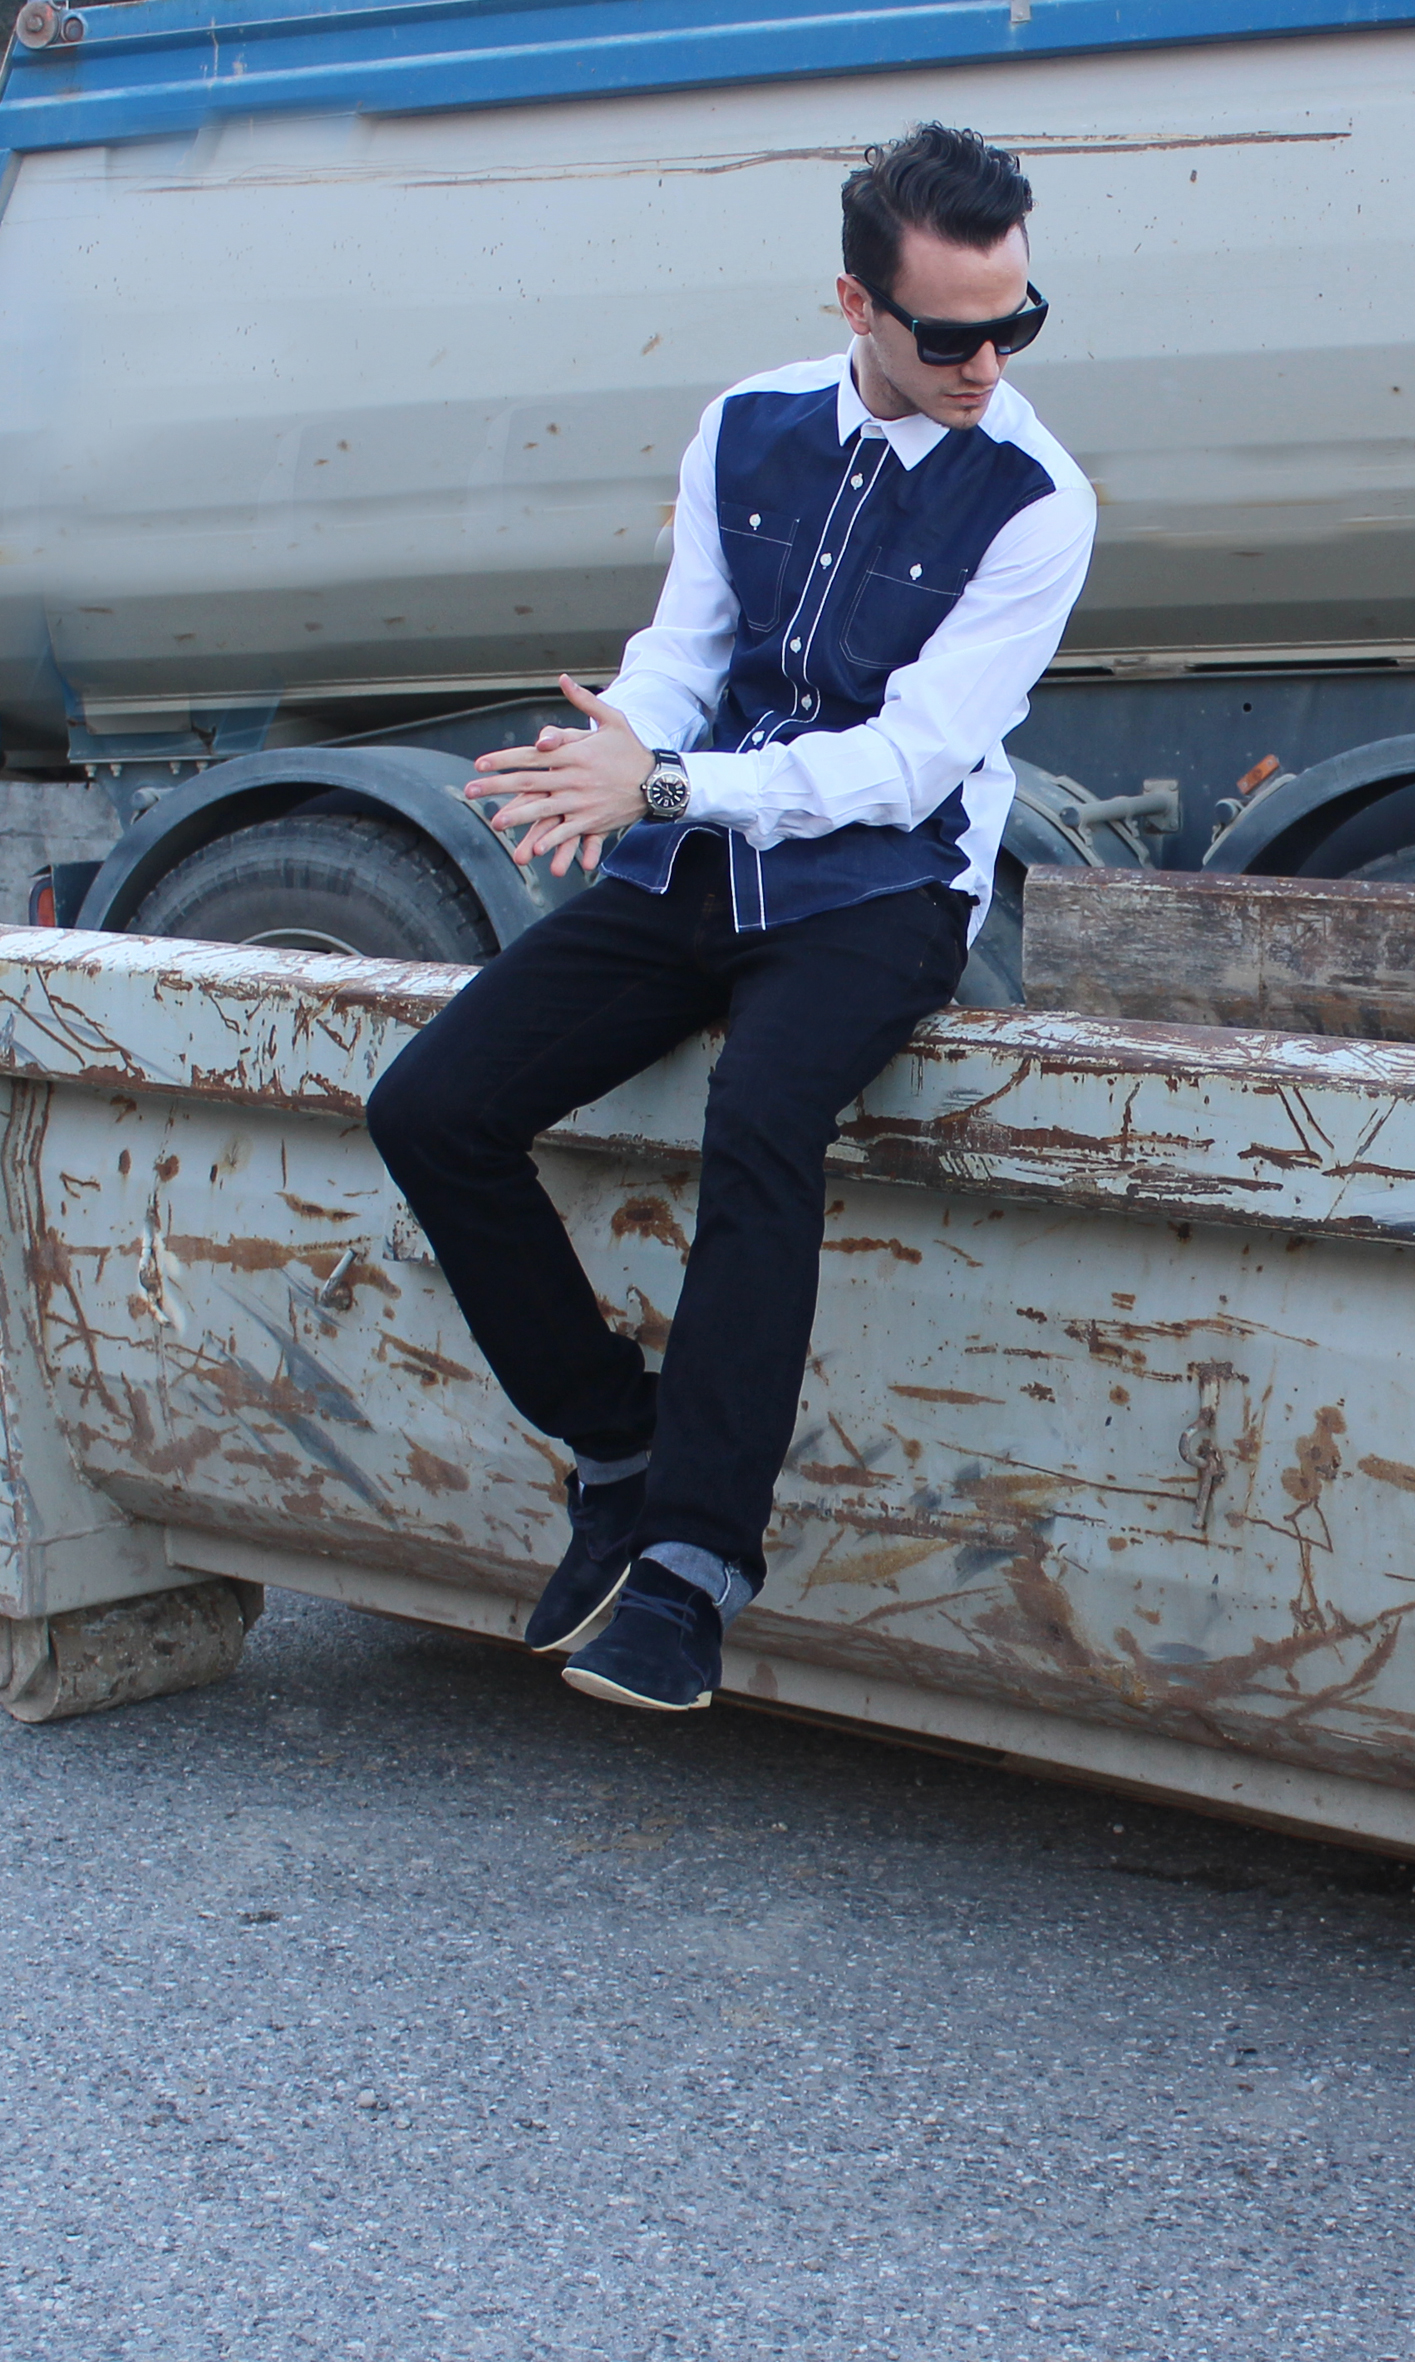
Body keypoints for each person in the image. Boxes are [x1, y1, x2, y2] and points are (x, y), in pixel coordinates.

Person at [366, 123, 1095, 1713]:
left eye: (1018, 324)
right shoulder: (745, 425)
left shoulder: (1039, 500)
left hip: (885, 883)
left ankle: (693, 1568)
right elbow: (686, 649)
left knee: (760, 1113)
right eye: (951, 335)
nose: (989, 365)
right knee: (429, 1107)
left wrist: (664, 784)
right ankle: (618, 1442)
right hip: (698, 850)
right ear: (857, 304)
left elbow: (910, 762)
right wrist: (617, 748)